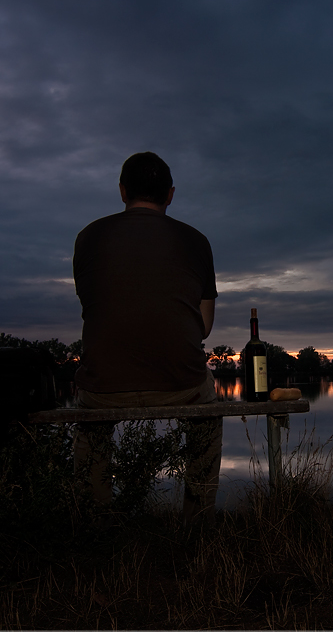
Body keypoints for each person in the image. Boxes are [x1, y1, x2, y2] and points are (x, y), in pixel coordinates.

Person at [72, 151, 221, 528]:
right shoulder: (196, 241)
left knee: (89, 424)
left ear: (122, 191)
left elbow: (94, 307)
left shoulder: (88, 237)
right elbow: (203, 328)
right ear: (170, 195)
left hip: (103, 386)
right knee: (209, 407)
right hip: (180, 384)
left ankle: (96, 521)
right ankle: (197, 523)